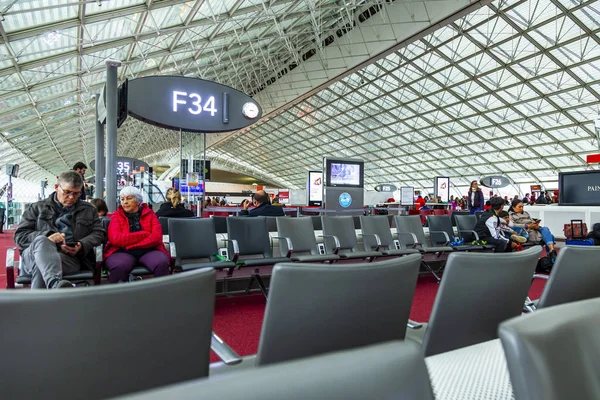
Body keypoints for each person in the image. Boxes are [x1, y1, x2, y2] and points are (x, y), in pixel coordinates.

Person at [14, 171, 105, 288]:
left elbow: (99, 233)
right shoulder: (36, 208)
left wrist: (82, 245)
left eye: (76, 193)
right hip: (33, 255)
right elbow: (20, 236)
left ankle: (49, 290)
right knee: (42, 241)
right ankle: (54, 284)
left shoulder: (88, 210)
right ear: (57, 187)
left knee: (42, 264)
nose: (71, 197)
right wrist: (48, 236)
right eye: (67, 192)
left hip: (68, 258)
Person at [104, 186, 170, 283]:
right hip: (121, 251)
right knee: (119, 266)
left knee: (161, 263)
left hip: (149, 250)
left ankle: (160, 295)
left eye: (129, 198)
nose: (125, 202)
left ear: (138, 201)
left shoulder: (151, 214)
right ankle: (117, 297)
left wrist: (132, 245)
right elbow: (116, 239)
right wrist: (144, 234)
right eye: (122, 199)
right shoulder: (116, 216)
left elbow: (156, 237)